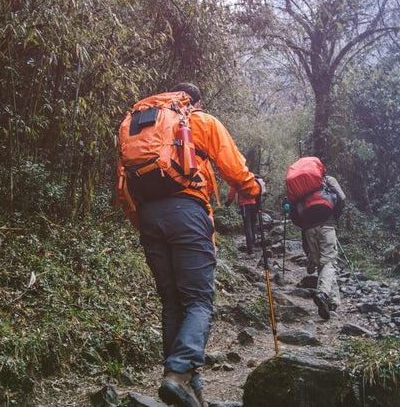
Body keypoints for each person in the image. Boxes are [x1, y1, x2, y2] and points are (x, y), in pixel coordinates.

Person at [116, 83, 263, 407]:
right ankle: (179, 373)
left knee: (172, 303)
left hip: (149, 217)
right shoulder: (198, 120)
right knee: (198, 302)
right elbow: (233, 168)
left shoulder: (140, 125)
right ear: (193, 101)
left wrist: (146, 224)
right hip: (187, 212)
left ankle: (187, 387)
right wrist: (255, 187)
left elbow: (124, 185)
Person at [287, 159, 345, 320]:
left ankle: (333, 302)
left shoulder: (300, 189)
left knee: (322, 263)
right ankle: (323, 293)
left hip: (308, 228)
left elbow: (294, 213)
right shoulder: (328, 180)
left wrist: (305, 226)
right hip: (327, 225)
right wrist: (334, 216)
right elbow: (342, 198)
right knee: (329, 261)